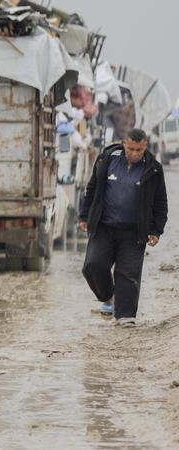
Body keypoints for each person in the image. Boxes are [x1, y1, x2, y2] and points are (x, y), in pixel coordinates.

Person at [80, 128, 167, 325]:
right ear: (124, 144)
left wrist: (156, 230)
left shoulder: (153, 168)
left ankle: (125, 317)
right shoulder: (107, 159)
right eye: (131, 149)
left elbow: (160, 202)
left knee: (128, 274)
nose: (135, 154)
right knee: (93, 266)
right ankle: (108, 296)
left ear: (145, 147)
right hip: (103, 227)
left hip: (134, 232)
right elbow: (92, 189)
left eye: (139, 150)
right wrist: (84, 216)